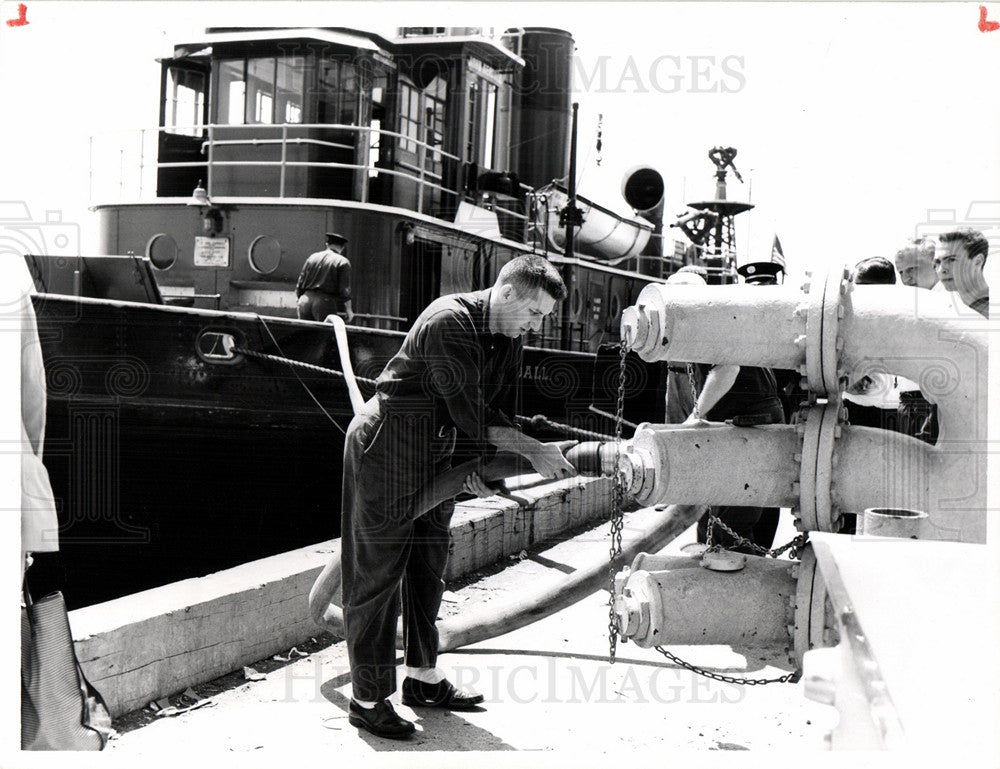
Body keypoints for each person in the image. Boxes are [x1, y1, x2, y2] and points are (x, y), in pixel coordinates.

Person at [341, 255, 575, 739]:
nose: (534, 326)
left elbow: (495, 411)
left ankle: (423, 677)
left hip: (439, 447)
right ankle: (366, 700)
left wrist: (482, 475)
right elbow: (472, 414)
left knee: (428, 566)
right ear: (506, 293)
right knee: (377, 571)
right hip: (390, 443)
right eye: (533, 314)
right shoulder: (450, 321)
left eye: (543, 320)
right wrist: (532, 451)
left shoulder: (507, 335)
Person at [666, 263, 785, 552]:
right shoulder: (699, 323)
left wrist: (696, 415)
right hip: (744, 422)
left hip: (752, 423)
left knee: (734, 517)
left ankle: (740, 577)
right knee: (729, 513)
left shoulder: (710, 321)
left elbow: (727, 368)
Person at [296, 232, 354, 323]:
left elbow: (300, 283)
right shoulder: (343, 262)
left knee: (305, 335)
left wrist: (300, 299)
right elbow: (345, 290)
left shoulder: (312, 257)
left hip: (305, 300)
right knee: (326, 334)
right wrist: (349, 310)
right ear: (342, 247)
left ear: (327, 244)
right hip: (324, 302)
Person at [934, 228, 990, 317]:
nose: (941, 269)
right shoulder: (946, 307)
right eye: (938, 262)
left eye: (951, 260)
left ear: (978, 261)